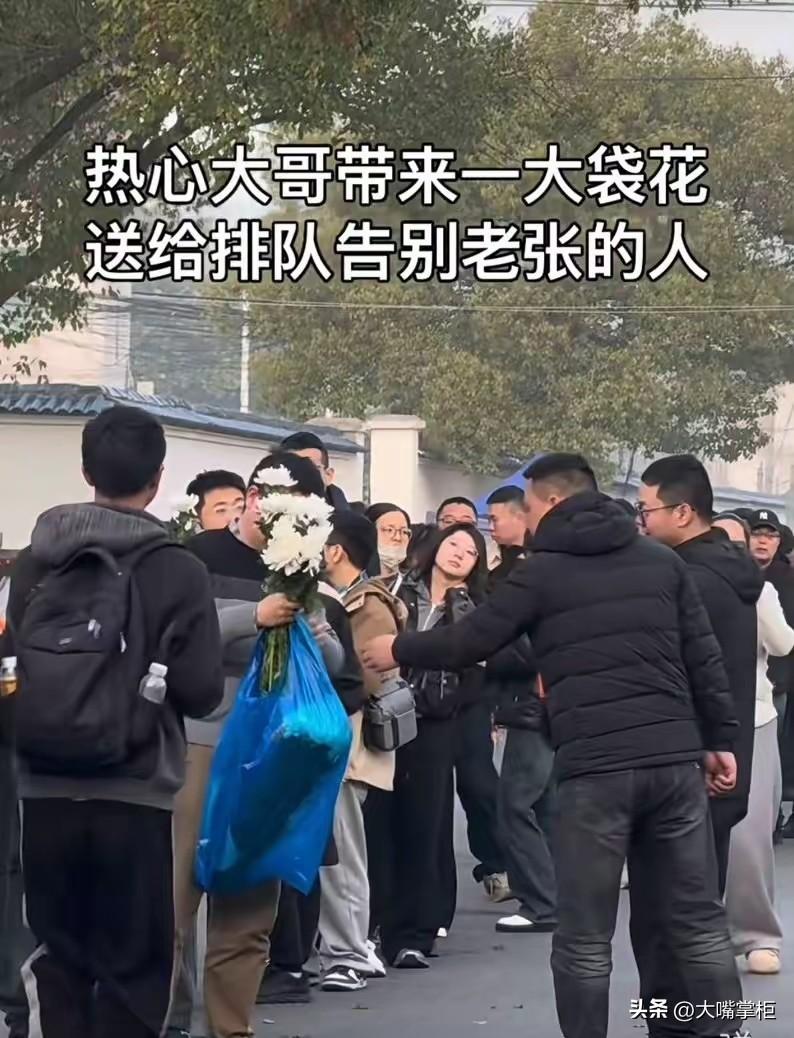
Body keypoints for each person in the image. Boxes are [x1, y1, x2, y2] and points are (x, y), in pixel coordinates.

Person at [363, 452, 743, 1038]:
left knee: (585, 936)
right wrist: (719, 741)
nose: (526, 517)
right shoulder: (661, 561)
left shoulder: (542, 572)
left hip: (596, 770)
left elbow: (472, 640)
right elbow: (704, 657)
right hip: (673, 763)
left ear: (555, 502)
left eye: (530, 505)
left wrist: (398, 648)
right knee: (697, 922)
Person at [5, 405, 225, 1038]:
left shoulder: (35, 561)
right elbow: (201, 690)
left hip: (43, 784)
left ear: (85, 472)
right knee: (134, 962)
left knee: (58, 955)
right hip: (136, 787)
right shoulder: (178, 568)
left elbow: (11, 663)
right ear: (157, 479)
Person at [169, 453, 360, 1035]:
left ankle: (230, 1026)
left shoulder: (303, 569)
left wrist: (308, 626)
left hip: (274, 750)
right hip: (203, 739)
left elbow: (334, 662)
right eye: (282, 508)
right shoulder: (196, 557)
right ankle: (168, 1020)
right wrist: (255, 615)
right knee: (175, 898)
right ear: (254, 499)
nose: (288, 522)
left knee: (250, 907)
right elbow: (180, 634)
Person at [638, 456, 763, 892]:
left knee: (682, 904)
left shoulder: (690, 579)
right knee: (702, 897)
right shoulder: (726, 569)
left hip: (691, 763)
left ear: (682, 512)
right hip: (718, 753)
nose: (641, 522)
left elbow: (683, 671)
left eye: (646, 510)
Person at [379, 523, 489, 969]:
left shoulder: (473, 611)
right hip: (383, 714)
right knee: (379, 822)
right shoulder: (396, 591)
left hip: (435, 722)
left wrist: (452, 704)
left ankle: (415, 933)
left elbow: (477, 669)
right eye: (453, 543)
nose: (459, 552)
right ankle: (375, 924)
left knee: (426, 825)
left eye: (471, 550)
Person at [318, 510, 406, 991]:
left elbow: (370, 678)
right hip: (340, 742)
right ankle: (345, 946)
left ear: (335, 550)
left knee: (344, 850)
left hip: (353, 744)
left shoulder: (366, 605)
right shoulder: (349, 598)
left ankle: (351, 951)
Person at [714, 512, 793, 976]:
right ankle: (698, 932)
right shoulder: (678, 585)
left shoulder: (759, 591)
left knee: (748, 835)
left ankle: (757, 935)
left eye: (735, 542)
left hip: (752, 718)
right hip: (686, 720)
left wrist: (757, 600)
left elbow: (782, 644)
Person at [485, 486, 556, 934]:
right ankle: (553, 897)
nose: (491, 527)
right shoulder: (517, 568)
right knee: (544, 804)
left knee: (516, 803)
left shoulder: (531, 572)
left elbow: (524, 644)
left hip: (534, 700)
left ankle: (541, 902)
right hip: (541, 700)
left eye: (496, 518)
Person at [746, 508, 794, 840]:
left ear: (779, 542)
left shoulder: (787, 580)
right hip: (740, 679)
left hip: (777, 681)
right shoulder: (732, 574)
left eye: (770, 535)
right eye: (757, 533)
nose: (763, 540)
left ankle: (771, 818)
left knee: (770, 757)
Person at [280, 431, 349, 510]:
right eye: (289, 469)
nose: (298, 478)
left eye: (309, 469)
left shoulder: (350, 518)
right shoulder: (269, 513)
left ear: (328, 475)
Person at [365, 503, 412, 581]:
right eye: (389, 530)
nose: (397, 537)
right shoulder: (354, 581)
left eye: (404, 532)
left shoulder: (415, 585)